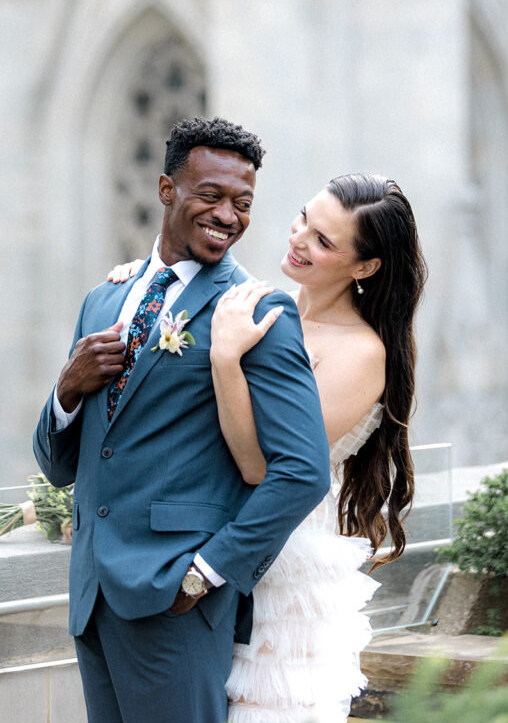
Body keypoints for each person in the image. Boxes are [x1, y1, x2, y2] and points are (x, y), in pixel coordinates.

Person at [33, 117, 330, 723]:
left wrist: (206, 573)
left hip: (178, 600)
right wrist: (67, 388)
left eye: (242, 203)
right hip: (93, 596)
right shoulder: (104, 300)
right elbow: (60, 466)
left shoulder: (257, 310)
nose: (228, 215)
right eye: (211, 196)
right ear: (167, 190)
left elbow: (304, 471)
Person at [109, 172, 427, 722]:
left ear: (365, 267)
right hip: (203, 544)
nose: (299, 238)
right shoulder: (260, 304)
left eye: (324, 241)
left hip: (279, 562)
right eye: (305, 217)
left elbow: (263, 467)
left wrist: (227, 361)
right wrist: (141, 282)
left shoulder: (359, 353)